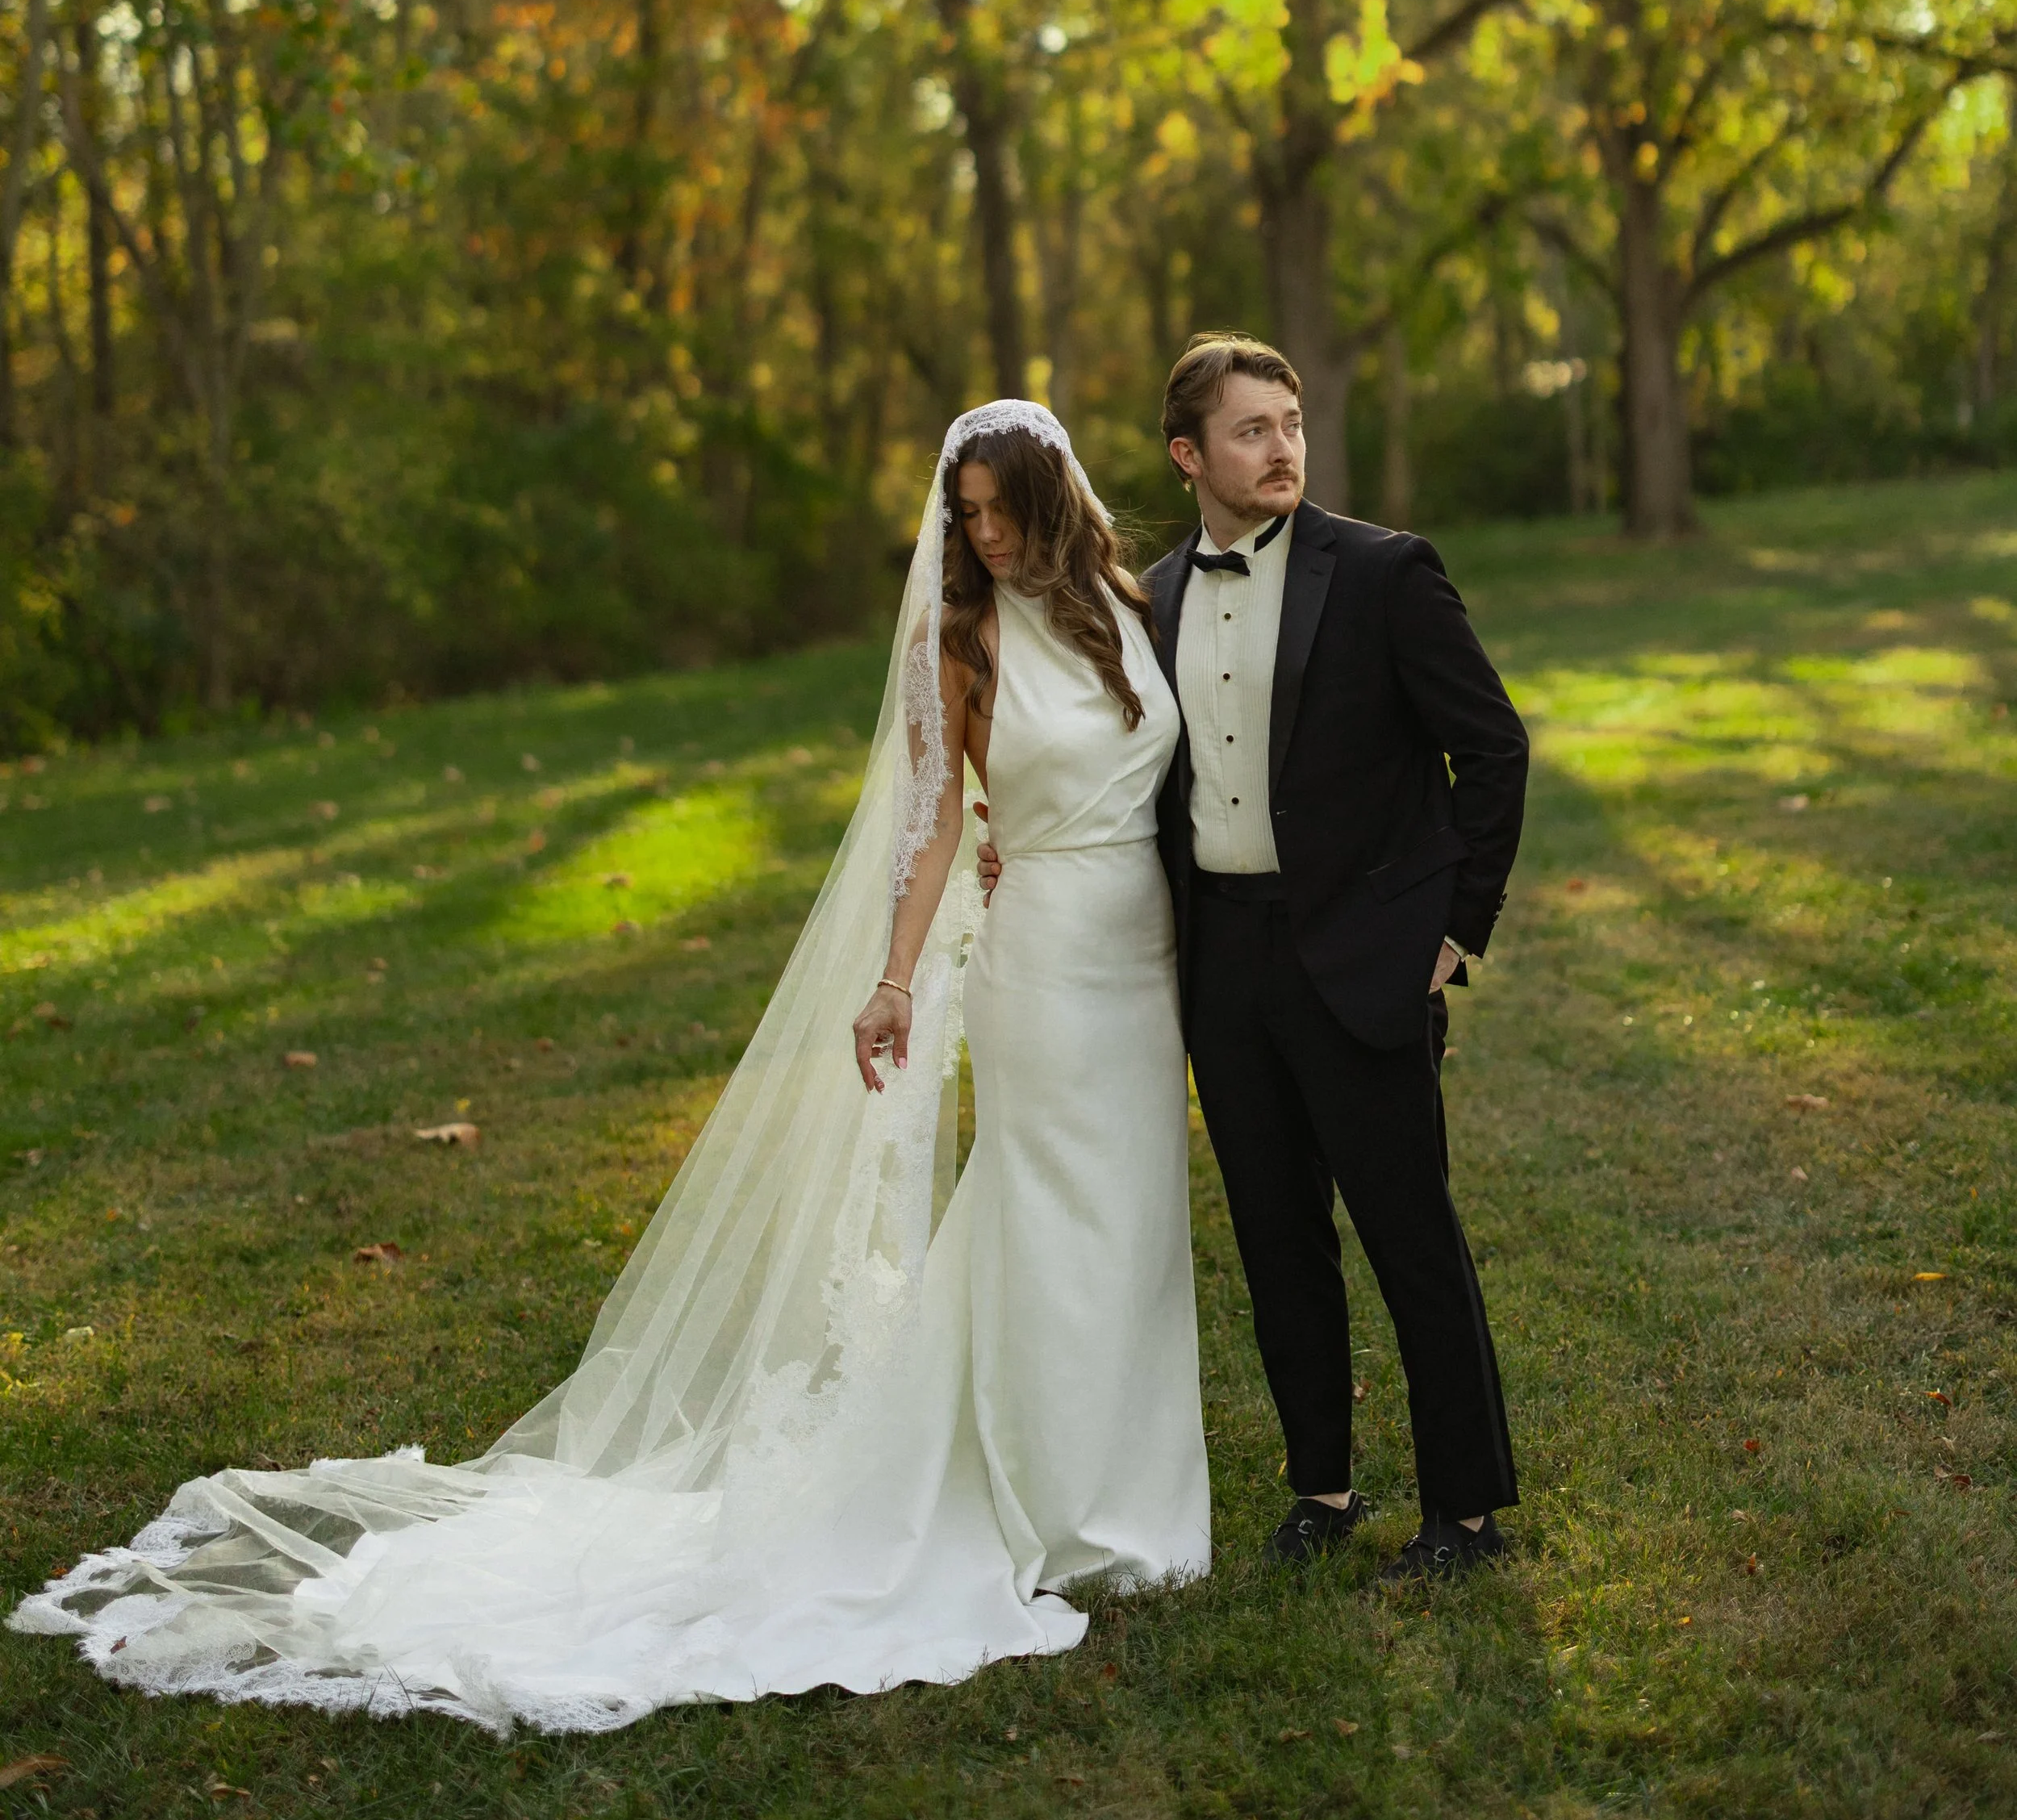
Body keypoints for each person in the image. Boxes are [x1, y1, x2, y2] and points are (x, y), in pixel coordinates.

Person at [11, 403, 1208, 1731]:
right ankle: (1048, 1502)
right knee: (1044, 1217)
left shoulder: (1125, 604)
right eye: (963, 514)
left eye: (1000, 511)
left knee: (1137, 1221)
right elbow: (930, 831)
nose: (979, 535)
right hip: (1038, 961)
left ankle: (1139, 1498)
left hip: (1143, 959)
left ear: (1053, 500)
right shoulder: (958, 638)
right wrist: (890, 979)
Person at [984, 334, 1526, 1580]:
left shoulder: (1388, 573)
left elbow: (1493, 749)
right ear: (1189, 454)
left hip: (1364, 954)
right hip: (1220, 959)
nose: (1282, 445)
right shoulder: (1149, 599)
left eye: (1289, 422)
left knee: (1408, 1232)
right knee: (1277, 1238)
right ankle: (1321, 1488)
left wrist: (1457, 927)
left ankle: (1467, 1508)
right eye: (1251, 429)